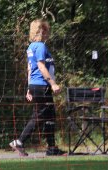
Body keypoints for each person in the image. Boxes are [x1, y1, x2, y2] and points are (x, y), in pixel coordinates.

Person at [10, 18, 65, 157]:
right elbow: (40, 66)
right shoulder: (40, 46)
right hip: (42, 85)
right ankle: (19, 141)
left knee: (50, 115)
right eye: (45, 30)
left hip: (35, 85)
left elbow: (30, 68)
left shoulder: (31, 47)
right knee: (39, 115)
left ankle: (52, 148)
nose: (48, 33)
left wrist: (29, 88)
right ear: (40, 31)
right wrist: (53, 83)